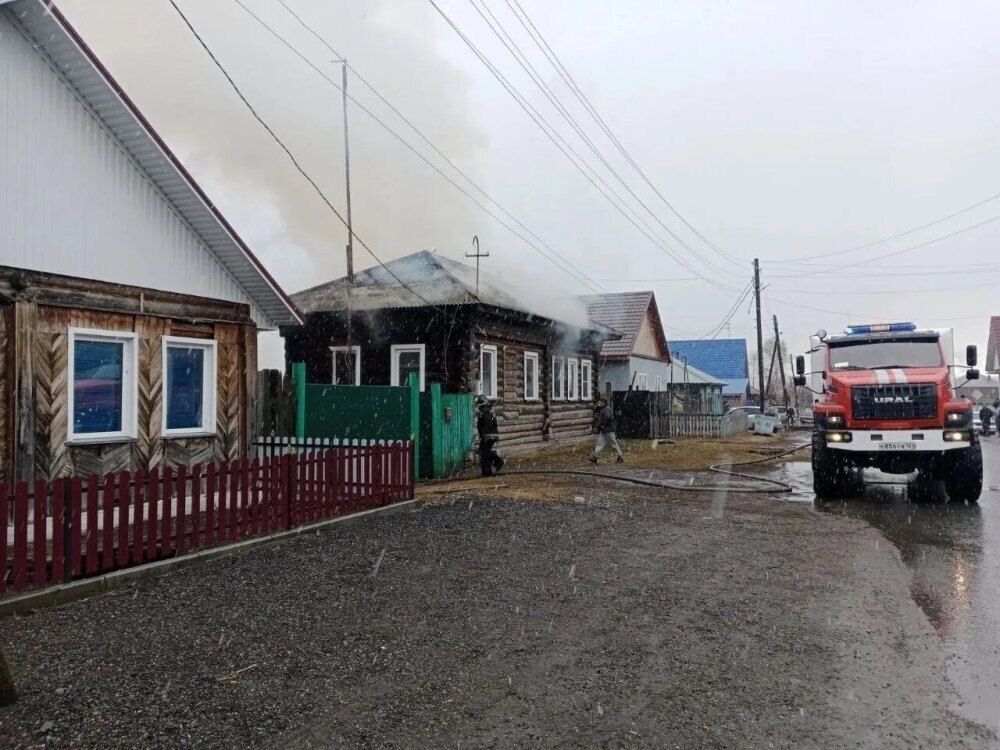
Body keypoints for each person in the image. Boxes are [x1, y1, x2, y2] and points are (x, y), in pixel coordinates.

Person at [590, 397, 624, 464]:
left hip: (609, 430)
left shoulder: (607, 409)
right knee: (599, 444)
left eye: (601, 401)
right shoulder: (602, 409)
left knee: (614, 444)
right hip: (604, 430)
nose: (599, 403)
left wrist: (601, 423)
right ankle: (595, 457)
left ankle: (619, 457)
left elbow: (607, 417)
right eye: (599, 401)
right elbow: (601, 416)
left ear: (604, 402)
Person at [476, 398, 504, 477]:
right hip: (491, 435)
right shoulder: (489, 409)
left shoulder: (485, 411)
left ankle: (488, 471)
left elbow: (487, 424)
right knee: (483, 452)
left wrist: (484, 434)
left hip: (488, 435)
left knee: (484, 454)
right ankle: (490, 468)